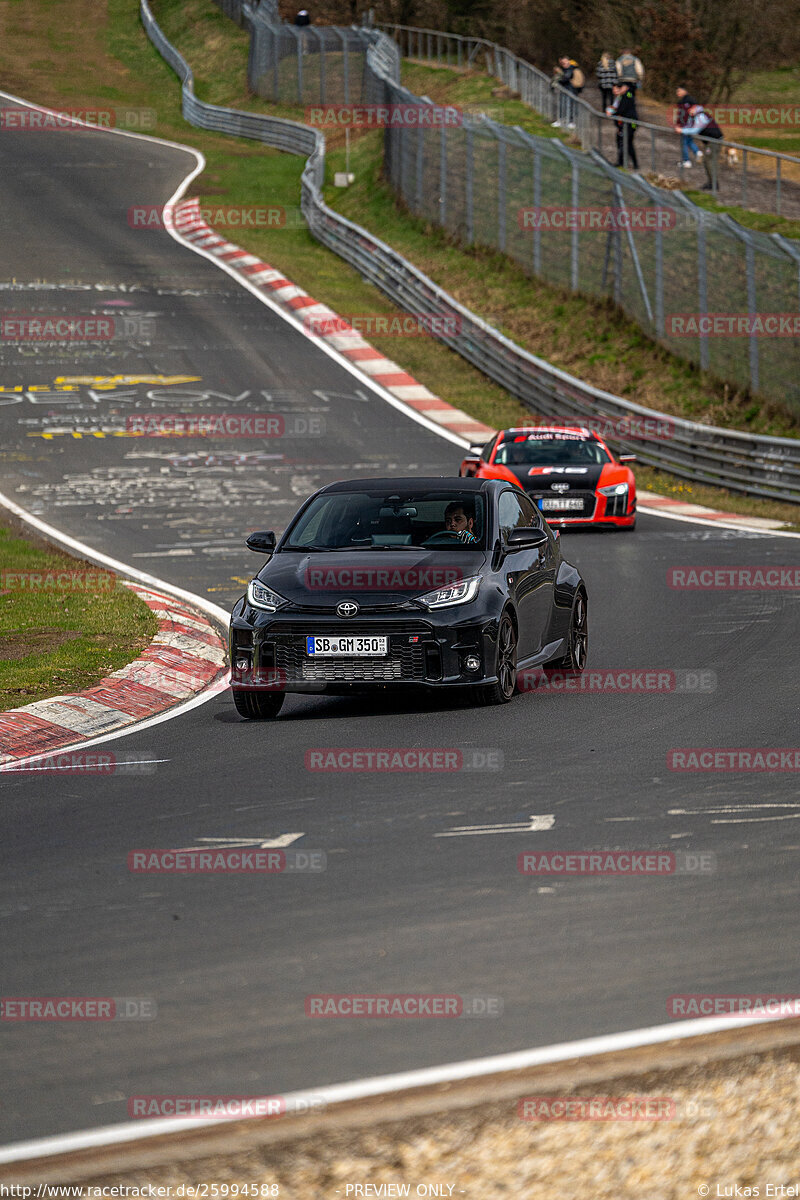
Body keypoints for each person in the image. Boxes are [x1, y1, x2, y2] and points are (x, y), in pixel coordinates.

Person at [679, 103, 724, 189]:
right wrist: (683, 128)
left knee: (709, 161)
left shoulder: (701, 116)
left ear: (694, 108)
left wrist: (682, 130)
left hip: (713, 142)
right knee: (708, 161)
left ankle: (713, 184)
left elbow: (695, 130)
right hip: (711, 141)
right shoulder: (697, 116)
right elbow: (690, 125)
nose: (688, 112)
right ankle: (712, 183)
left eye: (689, 110)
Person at [608, 81, 638, 169]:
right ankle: (622, 161)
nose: (616, 90)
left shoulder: (627, 96)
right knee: (622, 142)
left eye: (619, 88)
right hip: (623, 124)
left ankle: (631, 163)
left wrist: (612, 113)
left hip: (630, 123)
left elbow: (622, 110)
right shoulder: (620, 97)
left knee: (627, 142)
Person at [551, 56, 585, 129]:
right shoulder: (563, 69)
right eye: (563, 62)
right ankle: (560, 120)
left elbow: (566, 78)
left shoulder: (571, 69)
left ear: (568, 61)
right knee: (561, 104)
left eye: (565, 61)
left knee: (570, 105)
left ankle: (571, 121)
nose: (564, 63)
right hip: (564, 89)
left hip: (571, 89)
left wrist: (560, 76)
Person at [674, 86, 701, 167]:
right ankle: (697, 152)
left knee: (684, 142)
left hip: (686, 125)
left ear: (684, 91)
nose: (677, 93)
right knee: (689, 141)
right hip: (687, 124)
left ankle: (686, 161)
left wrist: (680, 124)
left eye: (679, 91)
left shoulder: (688, 100)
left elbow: (694, 108)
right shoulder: (681, 102)